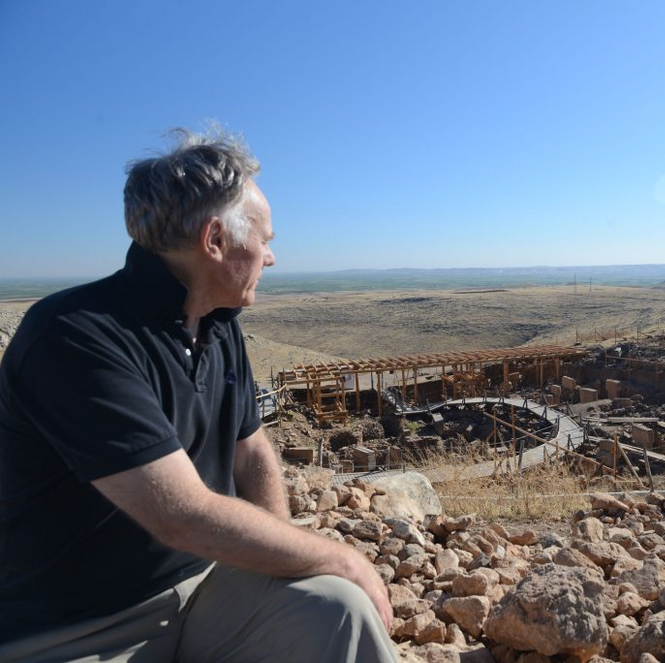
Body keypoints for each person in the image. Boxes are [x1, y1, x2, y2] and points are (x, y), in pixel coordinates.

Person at [0, 129, 398, 662]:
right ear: (214, 241)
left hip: (206, 589)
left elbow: (251, 449)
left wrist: (282, 564)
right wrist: (341, 557)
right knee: (340, 578)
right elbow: (180, 513)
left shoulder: (217, 323)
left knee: (338, 609)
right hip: (80, 624)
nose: (272, 258)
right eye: (266, 239)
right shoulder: (75, 335)